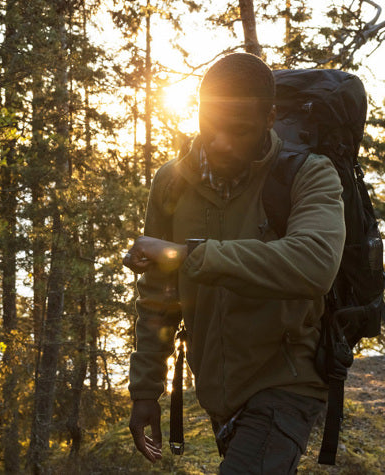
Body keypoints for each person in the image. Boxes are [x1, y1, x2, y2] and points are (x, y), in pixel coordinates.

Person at [123, 52, 345, 474]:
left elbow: (315, 262)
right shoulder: (171, 183)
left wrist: (190, 255)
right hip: (219, 393)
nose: (221, 143)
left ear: (269, 118)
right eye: (211, 125)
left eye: (239, 130)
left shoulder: (308, 174)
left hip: (287, 380)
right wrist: (146, 390)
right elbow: (158, 297)